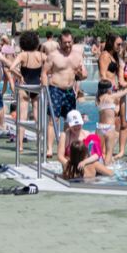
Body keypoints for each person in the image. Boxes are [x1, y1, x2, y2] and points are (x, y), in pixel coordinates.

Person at [41, 30, 86, 158]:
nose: (67, 45)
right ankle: (50, 148)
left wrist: (80, 74)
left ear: (72, 41)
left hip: (69, 91)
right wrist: (45, 89)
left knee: (69, 121)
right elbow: (44, 72)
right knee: (53, 120)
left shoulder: (77, 56)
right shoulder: (53, 56)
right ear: (60, 42)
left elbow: (84, 75)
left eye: (69, 42)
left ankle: (66, 147)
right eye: (65, 42)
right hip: (55, 89)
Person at [95, 80, 127, 163]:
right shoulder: (111, 97)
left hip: (99, 128)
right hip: (109, 128)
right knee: (109, 152)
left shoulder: (98, 99)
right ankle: (107, 167)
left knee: (98, 152)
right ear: (108, 89)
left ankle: (98, 166)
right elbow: (124, 92)